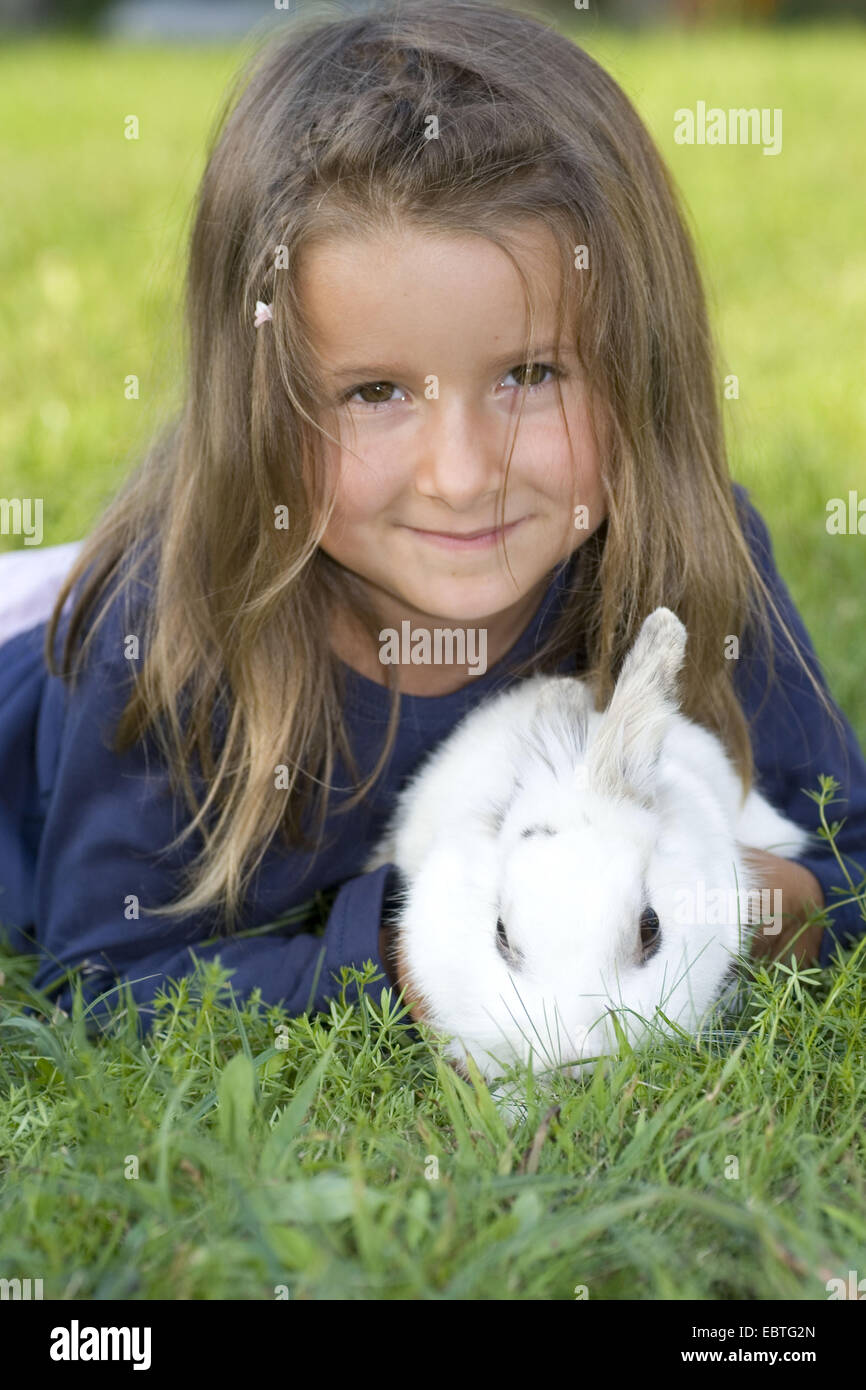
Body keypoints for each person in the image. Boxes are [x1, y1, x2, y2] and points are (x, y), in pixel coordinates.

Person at [1, 0, 864, 1037]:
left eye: (530, 375)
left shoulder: (685, 556)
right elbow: (107, 979)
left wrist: (726, 902)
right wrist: (398, 952)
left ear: (640, 370)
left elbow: (842, 860)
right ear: (258, 403)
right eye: (373, 393)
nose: (459, 478)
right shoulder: (160, 628)